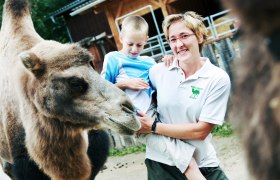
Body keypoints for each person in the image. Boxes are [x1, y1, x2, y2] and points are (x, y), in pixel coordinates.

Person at [101, 15, 205, 180]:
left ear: (146, 40)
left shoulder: (148, 61)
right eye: (130, 44)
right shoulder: (113, 58)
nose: (135, 49)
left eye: (139, 45)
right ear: (121, 37)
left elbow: (162, 79)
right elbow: (101, 91)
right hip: (138, 121)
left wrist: (169, 60)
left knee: (189, 154)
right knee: (188, 162)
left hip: (158, 116)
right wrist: (125, 84)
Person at [138, 11, 231, 180]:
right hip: (162, 164)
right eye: (172, 39)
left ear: (200, 36)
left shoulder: (217, 78)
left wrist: (153, 127)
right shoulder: (158, 71)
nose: (178, 44)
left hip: (201, 163)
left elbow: (201, 131)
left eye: (184, 36)